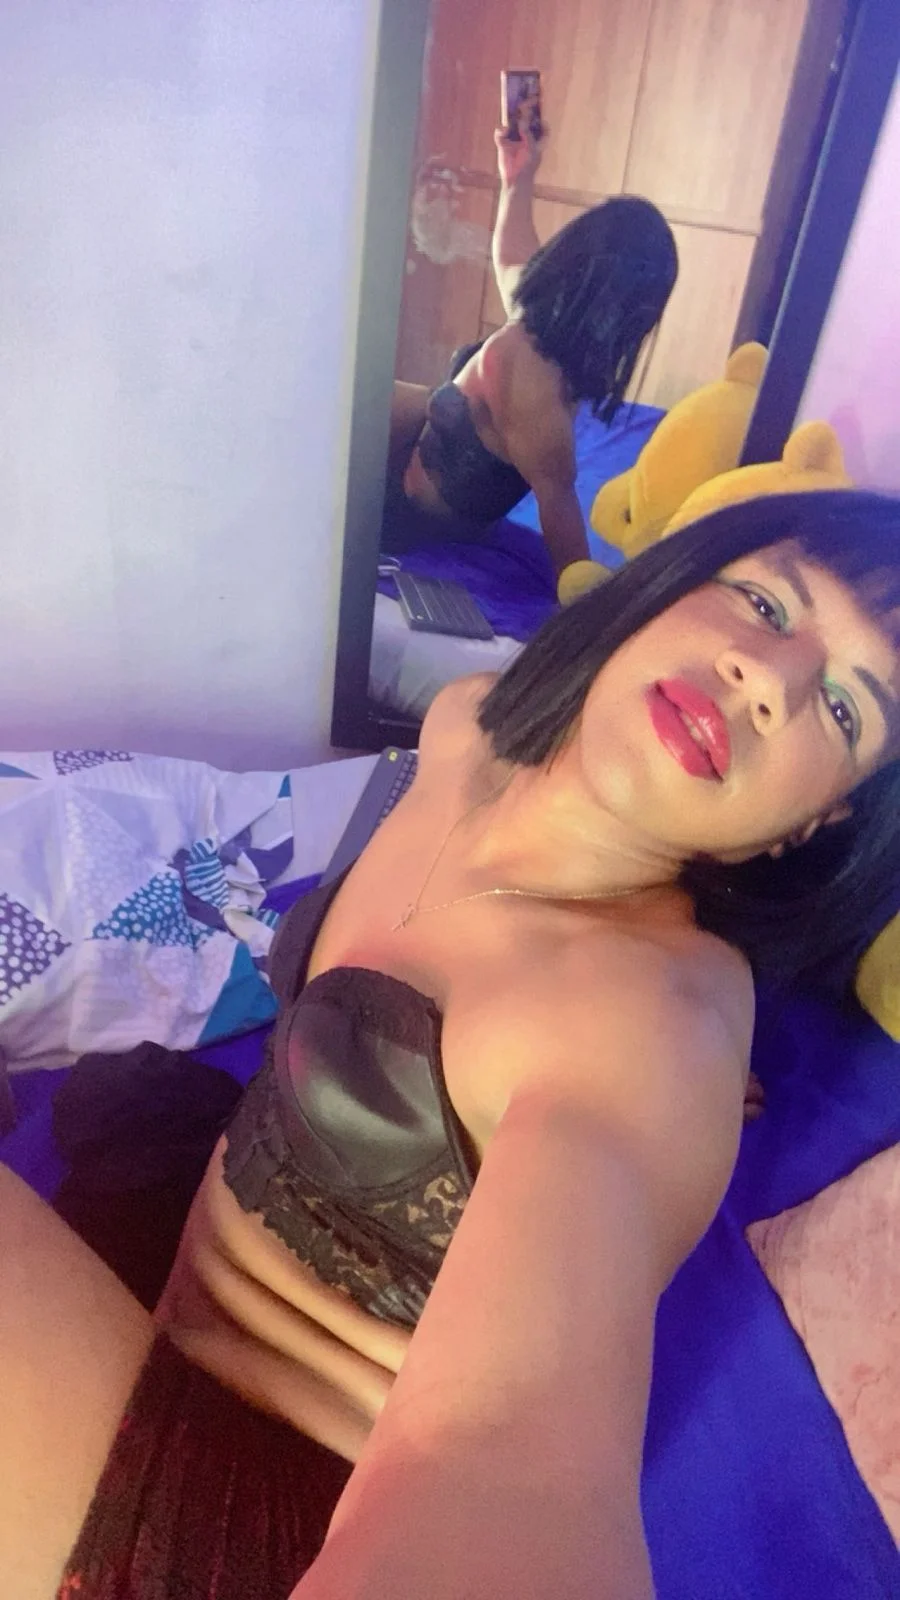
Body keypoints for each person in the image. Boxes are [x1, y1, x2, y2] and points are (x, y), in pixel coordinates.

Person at [4, 488, 900, 1600]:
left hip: (257, 1514)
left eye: (845, 710)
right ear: (666, 588)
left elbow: (511, 1479)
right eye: (766, 603)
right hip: (154, 1298)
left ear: (815, 823)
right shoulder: (464, 727)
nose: (768, 677)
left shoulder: (650, 1030)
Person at [384, 128, 678, 577]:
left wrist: (585, 600)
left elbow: (561, 516)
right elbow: (511, 259)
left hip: (410, 521)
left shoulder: (532, 385)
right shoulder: (537, 329)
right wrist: (516, 181)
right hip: (403, 469)